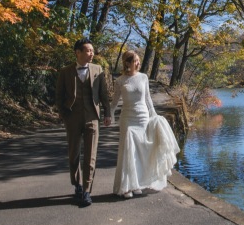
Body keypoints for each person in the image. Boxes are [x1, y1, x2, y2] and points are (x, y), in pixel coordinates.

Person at [111, 50, 180, 198]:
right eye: (135, 60)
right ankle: (126, 187)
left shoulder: (143, 77)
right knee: (127, 150)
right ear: (127, 62)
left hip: (142, 117)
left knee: (140, 151)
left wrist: (154, 115)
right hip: (127, 118)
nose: (138, 63)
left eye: (138, 60)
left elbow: (148, 98)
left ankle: (137, 183)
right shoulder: (120, 80)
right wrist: (109, 114)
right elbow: (115, 100)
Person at [55, 38, 111, 207]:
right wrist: (64, 115)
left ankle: (87, 190)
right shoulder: (65, 72)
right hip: (73, 117)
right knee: (74, 154)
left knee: (90, 156)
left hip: (92, 117)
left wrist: (107, 113)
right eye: (88, 51)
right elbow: (59, 96)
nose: (91, 53)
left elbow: (103, 94)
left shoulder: (97, 69)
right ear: (77, 52)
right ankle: (77, 184)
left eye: (92, 51)